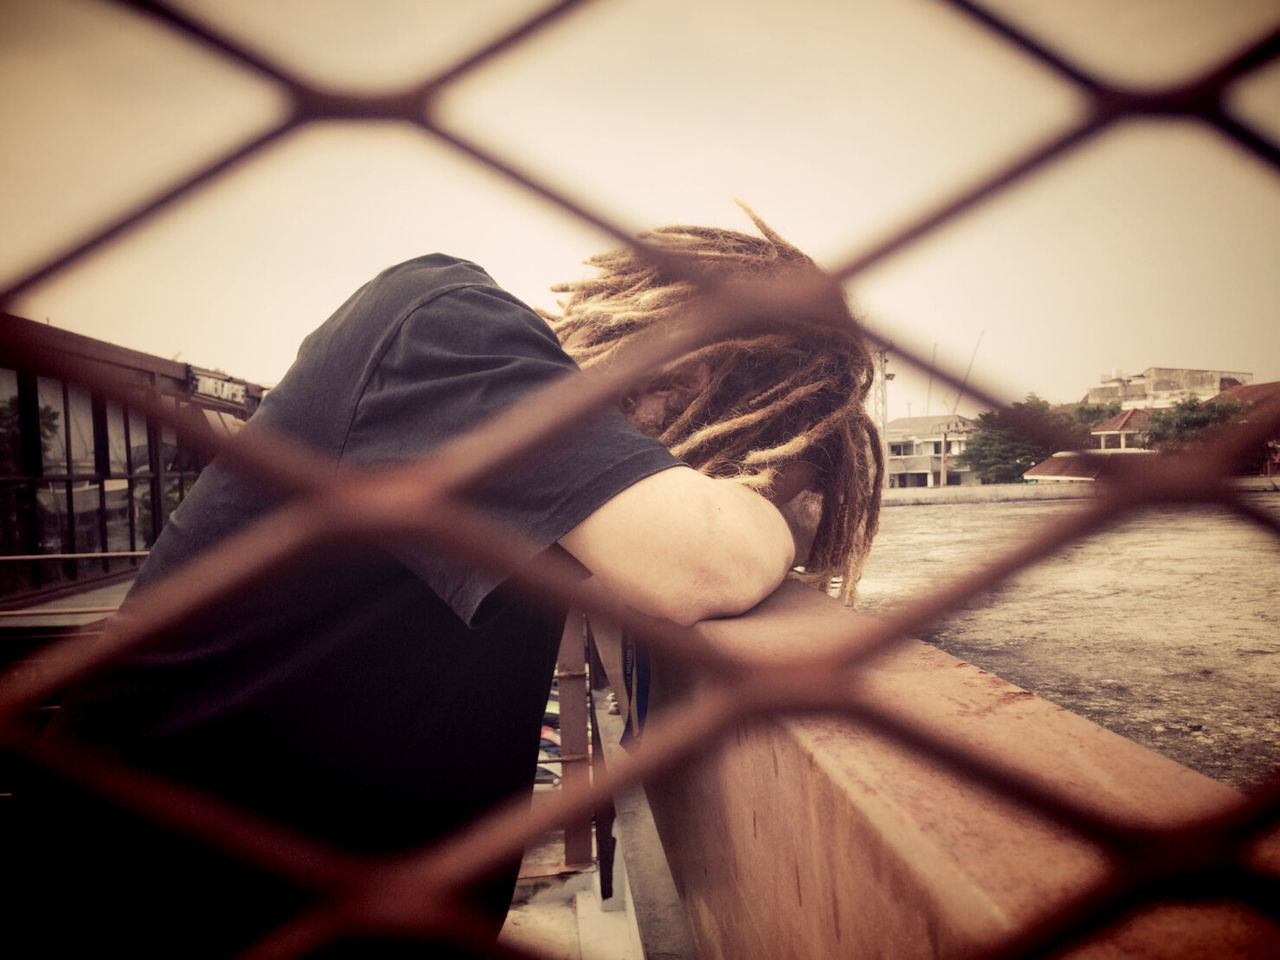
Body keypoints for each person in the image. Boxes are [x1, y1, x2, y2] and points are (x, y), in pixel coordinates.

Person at [8, 209, 882, 957]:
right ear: (686, 364)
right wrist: (773, 496)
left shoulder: (548, 488)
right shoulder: (440, 326)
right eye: (724, 432)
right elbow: (703, 565)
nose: (696, 464)